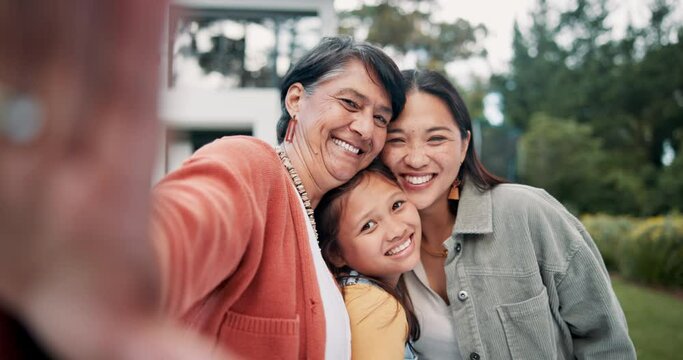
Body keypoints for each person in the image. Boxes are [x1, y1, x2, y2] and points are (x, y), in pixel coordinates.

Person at [0, 1, 406, 358]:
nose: (365, 129)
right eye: (350, 103)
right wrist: (95, 276)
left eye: (381, 118)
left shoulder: (322, 229)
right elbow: (183, 229)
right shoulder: (250, 165)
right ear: (296, 99)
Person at [380, 69, 637, 359]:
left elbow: (608, 344)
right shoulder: (376, 251)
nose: (415, 158)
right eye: (396, 140)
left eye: (436, 139)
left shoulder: (528, 213)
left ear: (464, 145)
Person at [315, 162, 421, 360]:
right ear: (336, 254)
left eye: (396, 205)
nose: (396, 231)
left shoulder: (352, 292)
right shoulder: (374, 307)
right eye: (368, 226)